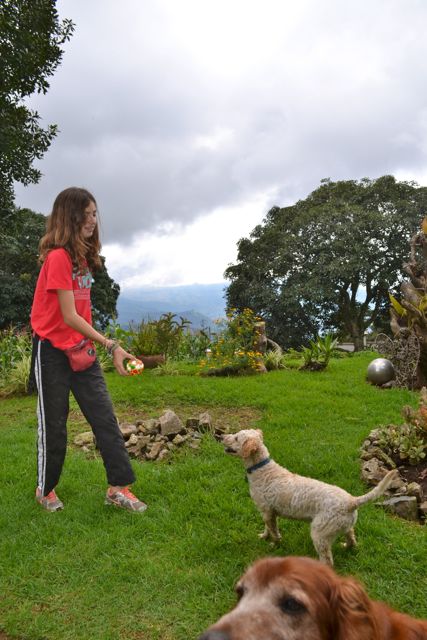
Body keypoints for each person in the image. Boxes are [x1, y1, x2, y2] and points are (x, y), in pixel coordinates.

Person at [30, 187, 146, 513]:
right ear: (70, 217)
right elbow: (69, 316)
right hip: (51, 351)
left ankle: (118, 488)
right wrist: (111, 345)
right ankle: (45, 489)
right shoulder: (57, 258)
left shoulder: (82, 260)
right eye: (87, 214)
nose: (93, 220)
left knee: (104, 418)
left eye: (95, 214)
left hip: (81, 350)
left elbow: (82, 313)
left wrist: (99, 344)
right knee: (54, 425)